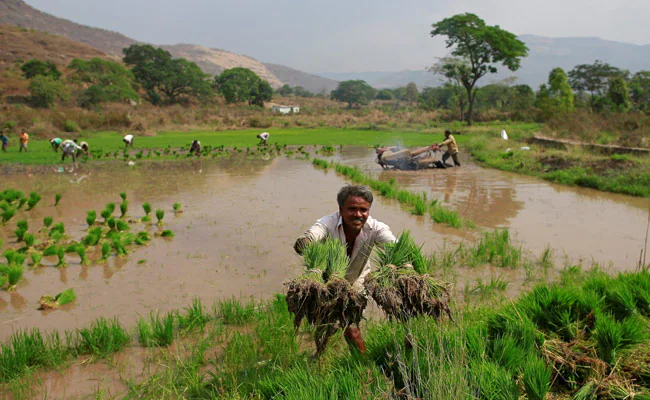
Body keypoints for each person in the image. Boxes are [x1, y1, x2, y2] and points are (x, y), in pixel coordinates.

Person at [294, 185, 396, 353]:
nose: (358, 214)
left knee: (351, 325)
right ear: (341, 209)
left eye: (363, 210)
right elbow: (313, 235)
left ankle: (362, 364)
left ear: (369, 210)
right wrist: (306, 243)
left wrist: (404, 264)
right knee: (324, 321)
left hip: (356, 280)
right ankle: (321, 353)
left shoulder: (377, 228)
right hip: (327, 280)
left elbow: (394, 246)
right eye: (352, 209)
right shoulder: (328, 223)